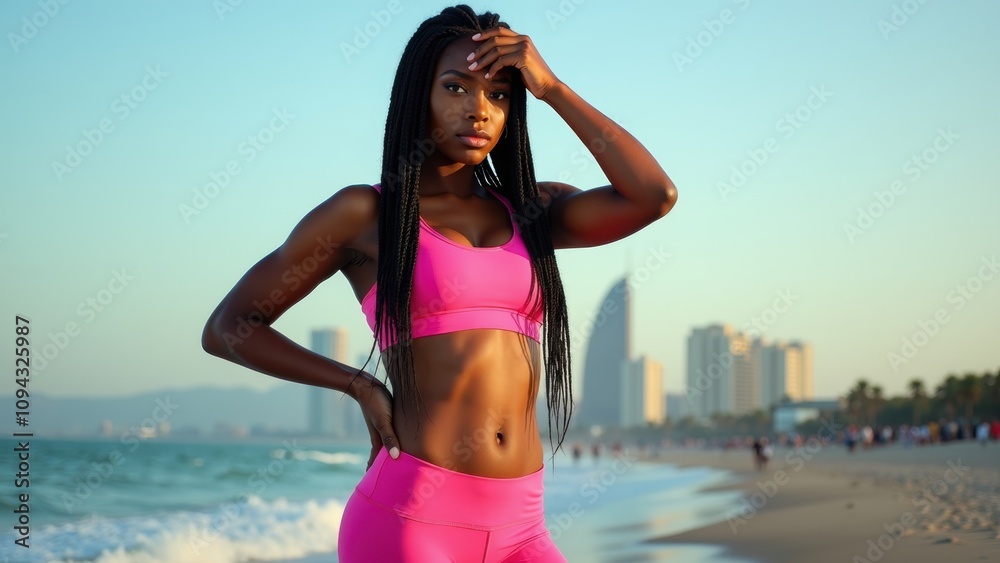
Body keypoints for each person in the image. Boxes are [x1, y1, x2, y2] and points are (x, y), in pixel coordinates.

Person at [200, 5, 676, 561]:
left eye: (499, 94)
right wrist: (357, 383)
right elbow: (229, 328)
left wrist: (552, 88)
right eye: (456, 87)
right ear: (416, 98)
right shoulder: (366, 215)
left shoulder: (534, 210)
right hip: (412, 521)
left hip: (523, 524)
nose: (478, 110)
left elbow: (652, 196)